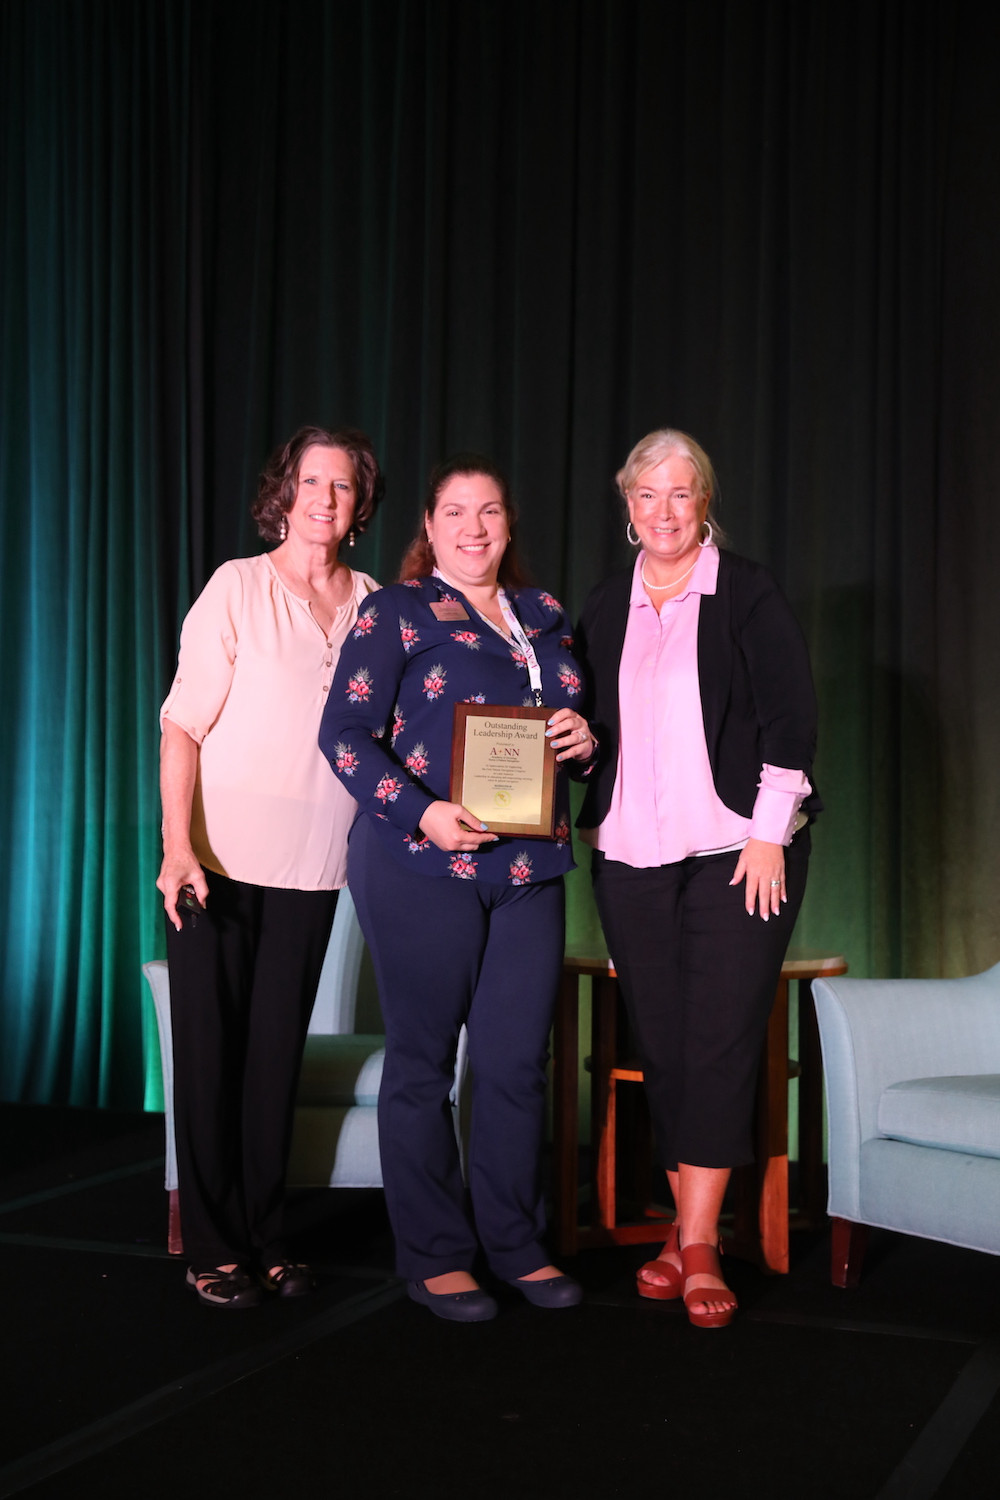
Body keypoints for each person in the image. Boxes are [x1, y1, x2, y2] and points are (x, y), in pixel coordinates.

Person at [320, 453, 595, 1322]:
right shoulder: (395, 612)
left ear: (509, 525)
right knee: (423, 1062)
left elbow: (574, 734)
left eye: (490, 512)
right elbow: (344, 735)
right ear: (430, 528)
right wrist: (423, 812)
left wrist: (587, 742)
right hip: (421, 862)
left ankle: (514, 1242)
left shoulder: (545, 615)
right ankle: (437, 1255)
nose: (474, 528)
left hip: (529, 869)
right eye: (456, 512)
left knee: (516, 1063)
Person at [574, 429, 818, 1329]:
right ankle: (684, 1233)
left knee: (717, 1043)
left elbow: (793, 715)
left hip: (738, 855)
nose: (664, 511)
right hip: (631, 856)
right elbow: (594, 725)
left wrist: (768, 835)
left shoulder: (746, 591)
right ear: (627, 504)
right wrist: (577, 743)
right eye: (648, 495)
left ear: (705, 500)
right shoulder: (606, 604)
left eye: (681, 493)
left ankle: (702, 1244)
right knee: (667, 1044)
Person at [156, 424, 383, 1309]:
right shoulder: (237, 587)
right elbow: (182, 725)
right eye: (312, 482)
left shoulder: (374, 603)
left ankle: (266, 1237)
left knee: (273, 1061)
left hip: (315, 868)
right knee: (211, 1055)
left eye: (343, 486)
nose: (325, 499)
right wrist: (178, 848)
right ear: (284, 493)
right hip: (214, 864)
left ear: (360, 504)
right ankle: (214, 1250)